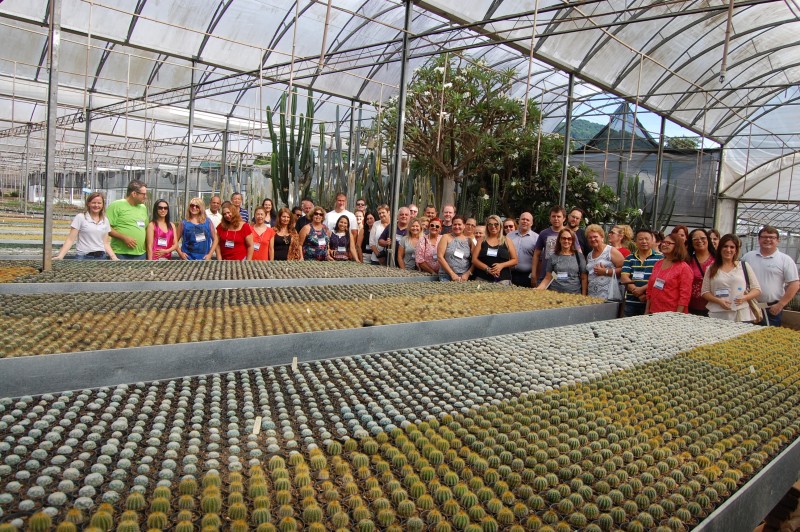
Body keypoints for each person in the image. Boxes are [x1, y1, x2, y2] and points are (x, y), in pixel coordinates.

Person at [742, 225, 799, 327]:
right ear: (759, 239)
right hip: (748, 306)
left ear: (778, 240)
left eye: (772, 237)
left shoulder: (785, 260)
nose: (768, 239)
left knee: (768, 338)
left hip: (771, 309)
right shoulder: (748, 257)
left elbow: (795, 284)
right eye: (764, 237)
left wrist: (781, 304)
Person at [702, 234, 762, 322]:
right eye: (725, 246)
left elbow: (756, 289)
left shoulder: (744, 266)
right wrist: (718, 301)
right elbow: (705, 292)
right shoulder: (711, 269)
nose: (728, 250)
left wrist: (745, 297)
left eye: (732, 247)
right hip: (718, 314)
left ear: (736, 250)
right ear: (720, 248)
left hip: (741, 314)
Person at [55, 192, 118, 260]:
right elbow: (70, 239)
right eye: (93, 202)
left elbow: (105, 243)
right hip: (83, 257)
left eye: (99, 203)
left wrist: (113, 257)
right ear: (88, 203)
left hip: (101, 257)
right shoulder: (80, 217)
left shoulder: (105, 220)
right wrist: (60, 256)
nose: (96, 205)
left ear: (103, 205)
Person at [645, 233, 693, 314]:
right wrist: (647, 310)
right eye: (663, 242)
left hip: (672, 314)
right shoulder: (658, 264)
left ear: (677, 246)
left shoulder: (684, 268)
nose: (664, 245)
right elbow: (650, 289)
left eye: (668, 243)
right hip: (653, 311)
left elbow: (685, 296)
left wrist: (678, 315)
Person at [621, 229, 663, 317]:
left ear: (652, 241)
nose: (644, 241)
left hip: (650, 302)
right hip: (630, 302)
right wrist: (636, 292)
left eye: (647, 239)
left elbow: (660, 280)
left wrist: (642, 290)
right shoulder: (629, 258)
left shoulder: (660, 258)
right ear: (635, 241)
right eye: (640, 239)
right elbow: (624, 277)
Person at [535, 228, 587, 295]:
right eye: (563, 238)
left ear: (573, 240)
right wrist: (538, 289)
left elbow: (584, 277)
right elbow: (548, 278)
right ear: (559, 240)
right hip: (555, 294)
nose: (566, 241)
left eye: (569, 239)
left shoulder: (579, 256)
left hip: (574, 294)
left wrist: (584, 295)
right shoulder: (553, 257)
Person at [107, 180, 148, 260]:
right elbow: (106, 228)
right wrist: (124, 238)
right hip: (120, 254)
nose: (145, 196)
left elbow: (145, 228)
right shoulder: (116, 205)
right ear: (134, 194)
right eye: (143, 194)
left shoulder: (143, 208)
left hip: (140, 254)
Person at [473, 214, 518, 285]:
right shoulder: (481, 240)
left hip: (503, 280)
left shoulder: (507, 240)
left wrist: (501, 265)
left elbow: (515, 260)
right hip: (482, 279)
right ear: (487, 227)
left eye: (496, 224)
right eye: (490, 224)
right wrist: (487, 269)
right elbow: (474, 260)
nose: (493, 226)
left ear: (500, 226)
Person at [585, 224, 625, 299]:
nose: (593, 239)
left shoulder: (610, 250)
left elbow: (624, 269)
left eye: (595, 237)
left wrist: (606, 271)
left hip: (608, 295)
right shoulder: (589, 255)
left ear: (602, 237)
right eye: (590, 237)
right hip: (592, 295)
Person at [532, 205, 566, 285]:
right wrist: (533, 273)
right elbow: (536, 254)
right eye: (553, 216)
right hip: (545, 275)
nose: (556, 219)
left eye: (559, 216)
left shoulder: (570, 234)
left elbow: (578, 253)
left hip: (563, 276)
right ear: (550, 218)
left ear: (564, 218)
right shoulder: (544, 233)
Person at [687, 228, 716, 316]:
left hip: (714, 305)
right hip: (691, 306)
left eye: (703, 238)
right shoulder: (687, 261)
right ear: (691, 243)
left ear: (708, 239)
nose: (699, 241)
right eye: (695, 239)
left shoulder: (718, 259)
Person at [437, 215, 473, 281]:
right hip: (446, 275)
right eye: (455, 224)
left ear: (464, 225)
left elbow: (474, 260)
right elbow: (440, 257)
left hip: (464, 276)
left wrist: (467, 274)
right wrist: (452, 274)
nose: (457, 227)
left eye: (459, 224)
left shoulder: (469, 240)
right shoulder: (445, 237)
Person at [507, 212, 538, 287]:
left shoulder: (536, 238)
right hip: (509, 275)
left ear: (531, 223)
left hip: (527, 276)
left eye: (527, 220)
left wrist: (535, 275)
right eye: (523, 219)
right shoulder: (509, 236)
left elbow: (538, 259)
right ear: (518, 221)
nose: (525, 221)